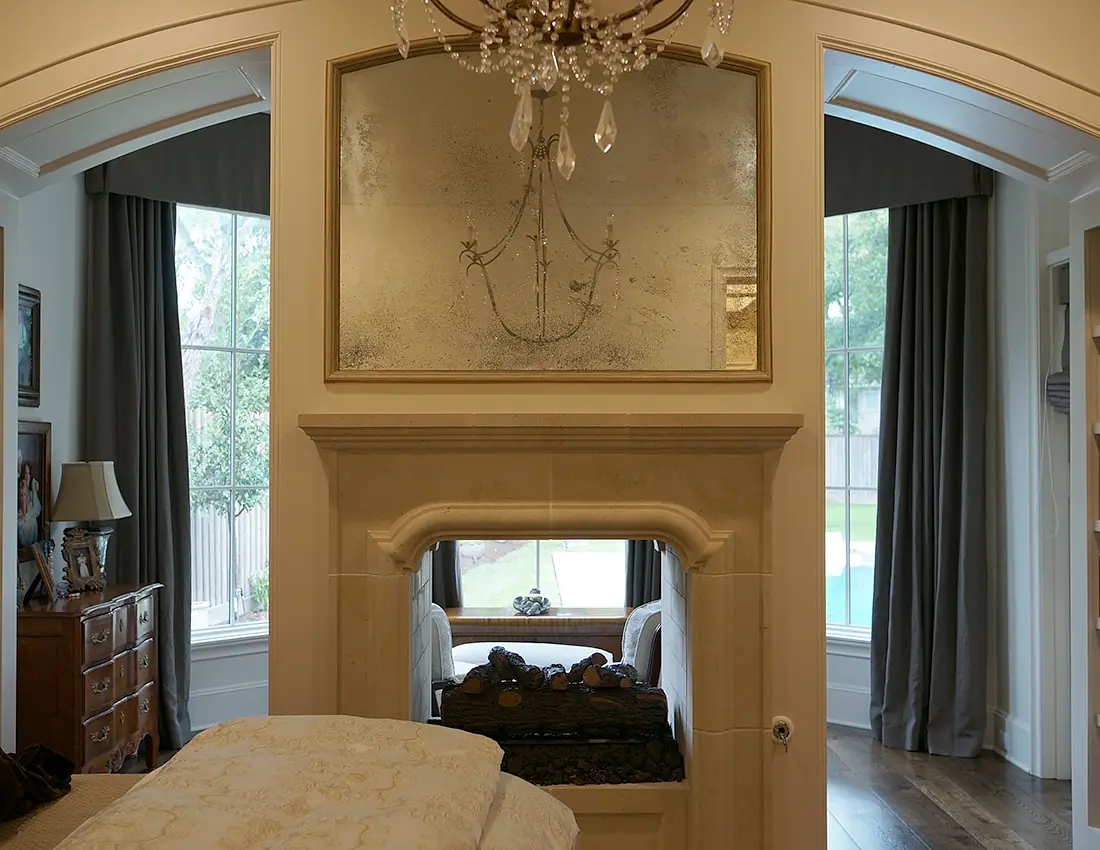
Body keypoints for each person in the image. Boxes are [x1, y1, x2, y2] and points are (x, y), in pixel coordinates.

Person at [16, 461, 41, 549]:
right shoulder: (18, 492)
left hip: (32, 534)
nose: (27, 476)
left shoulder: (32, 494)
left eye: (29, 473)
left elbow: (37, 510)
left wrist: (34, 491)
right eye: (25, 473)